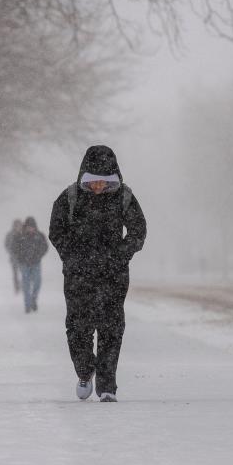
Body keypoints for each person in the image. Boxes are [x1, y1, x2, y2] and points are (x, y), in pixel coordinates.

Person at [49, 145, 146, 403]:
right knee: (78, 328)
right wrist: (72, 257)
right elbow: (56, 232)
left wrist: (120, 255)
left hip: (113, 276)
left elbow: (138, 231)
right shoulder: (69, 197)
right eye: (93, 181)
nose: (99, 187)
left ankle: (107, 386)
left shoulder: (124, 197)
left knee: (111, 329)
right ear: (85, 177)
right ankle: (84, 370)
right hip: (78, 275)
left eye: (104, 181)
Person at [13, 216, 49, 313]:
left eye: (32, 227)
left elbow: (45, 247)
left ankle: (33, 299)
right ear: (25, 227)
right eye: (28, 227)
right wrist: (21, 257)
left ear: (35, 227)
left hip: (36, 263)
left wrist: (38, 255)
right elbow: (15, 248)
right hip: (24, 264)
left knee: (37, 282)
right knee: (26, 284)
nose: (30, 229)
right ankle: (27, 305)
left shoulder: (40, 236)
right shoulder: (20, 236)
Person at [4, 219, 24, 294]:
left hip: (23, 257)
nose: (18, 226)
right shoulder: (10, 234)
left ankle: (23, 286)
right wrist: (11, 251)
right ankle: (16, 287)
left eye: (19, 225)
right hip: (14, 257)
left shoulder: (24, 233)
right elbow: (6, 244)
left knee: (24, 273)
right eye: (17, 225)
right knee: (15, 273)